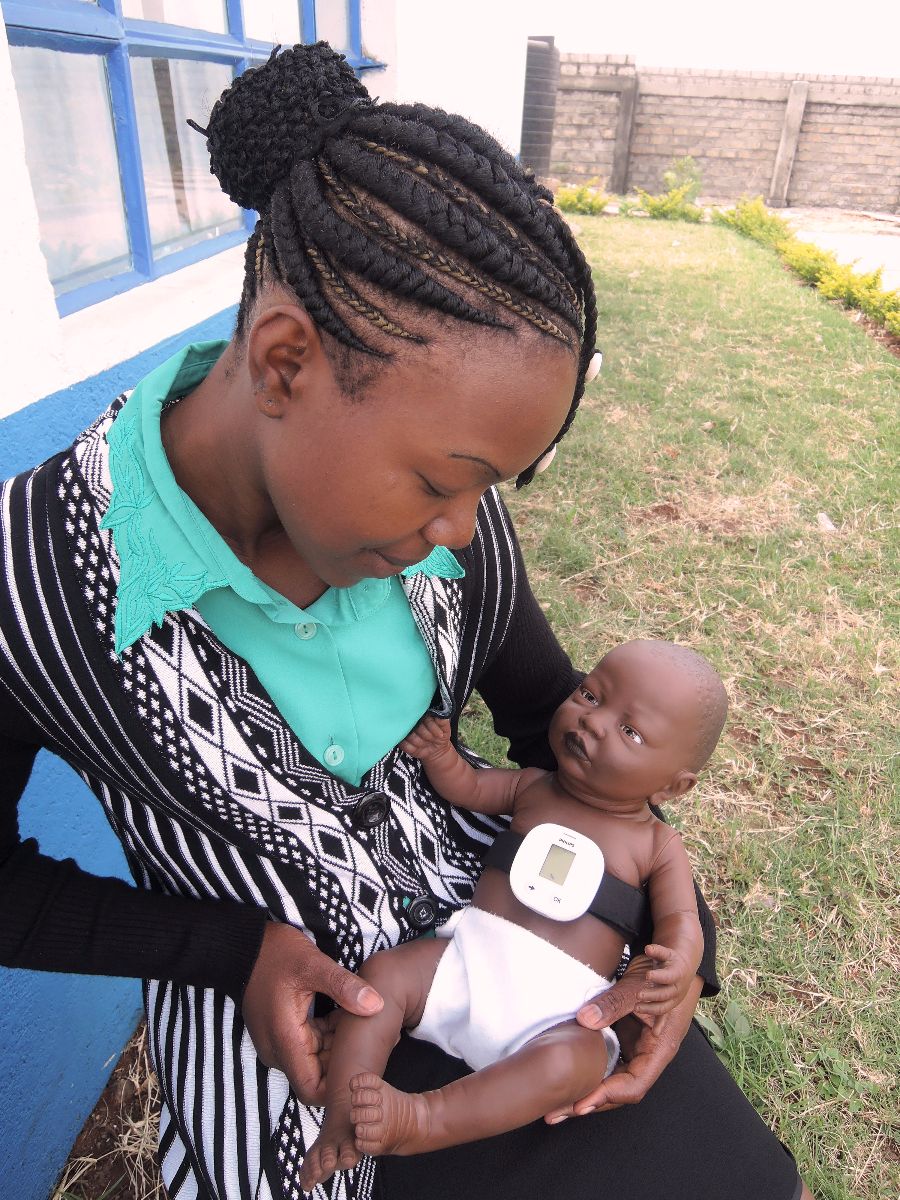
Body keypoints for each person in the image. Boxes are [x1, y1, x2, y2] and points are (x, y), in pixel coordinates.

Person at [0, 41, 809, 1200]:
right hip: (304, 1064)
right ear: (285, 362)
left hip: (524, 962)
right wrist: (229, 948)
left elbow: (548, 725)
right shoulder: (31, 581)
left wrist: (679, 949)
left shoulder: (442, 531)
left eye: (494, 490)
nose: (469, 532)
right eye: (445, 481)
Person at [299, 638, 724, 1188]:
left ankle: (420, 1119)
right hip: (466, 960)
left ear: (674, 786)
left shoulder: (659, 845)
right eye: (590, 695)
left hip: (560, 1014)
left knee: (572, 1064)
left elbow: (680, 922)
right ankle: (344, 1111)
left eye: (631, 732)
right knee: (383, 978)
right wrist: (440, 756)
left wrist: (678, 961)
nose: (593, 723)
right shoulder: (532, 786)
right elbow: (471, 787)